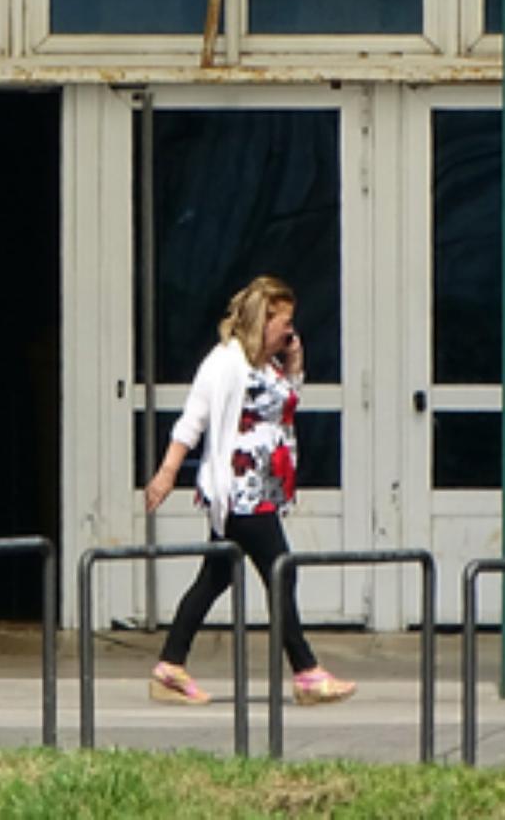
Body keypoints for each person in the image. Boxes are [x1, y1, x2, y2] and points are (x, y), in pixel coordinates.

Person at [144, 275, 357, 707]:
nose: (290, 331)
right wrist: (166, 473)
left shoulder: (268, 366)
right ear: (264, 319)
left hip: (263, 488)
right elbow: (192, 421)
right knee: (282, 569)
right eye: (284, 322)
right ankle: (306, 672)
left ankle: (170, 666)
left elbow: (282, 409)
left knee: (215, 577)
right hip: (240, 492)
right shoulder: (225, 362)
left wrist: (294, 365)